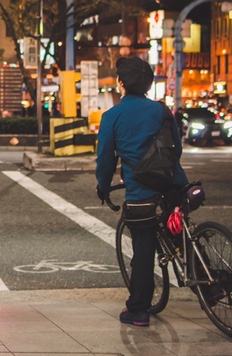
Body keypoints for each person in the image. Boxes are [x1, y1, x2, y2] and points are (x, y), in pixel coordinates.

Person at [95, 57, 188, 327]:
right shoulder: (161, 111)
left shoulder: (112, 116)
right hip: (174, 184)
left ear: (121, 83)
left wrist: (103, 186)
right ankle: (209, 284)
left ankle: (138, 310)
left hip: (141, 192)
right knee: (182, 230)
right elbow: (176, 150)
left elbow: (105, 160)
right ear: (149, 84)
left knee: (144, 246)